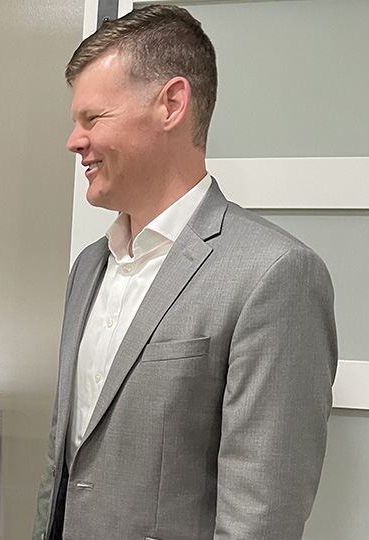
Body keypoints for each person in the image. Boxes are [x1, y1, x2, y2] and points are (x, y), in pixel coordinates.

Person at [33, 5, 337, 540]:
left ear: (171, 104)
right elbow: (64, 472)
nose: (73, 141)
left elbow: (261, 519)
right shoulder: (88, 268)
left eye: (93, 118)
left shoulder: (274, 275)